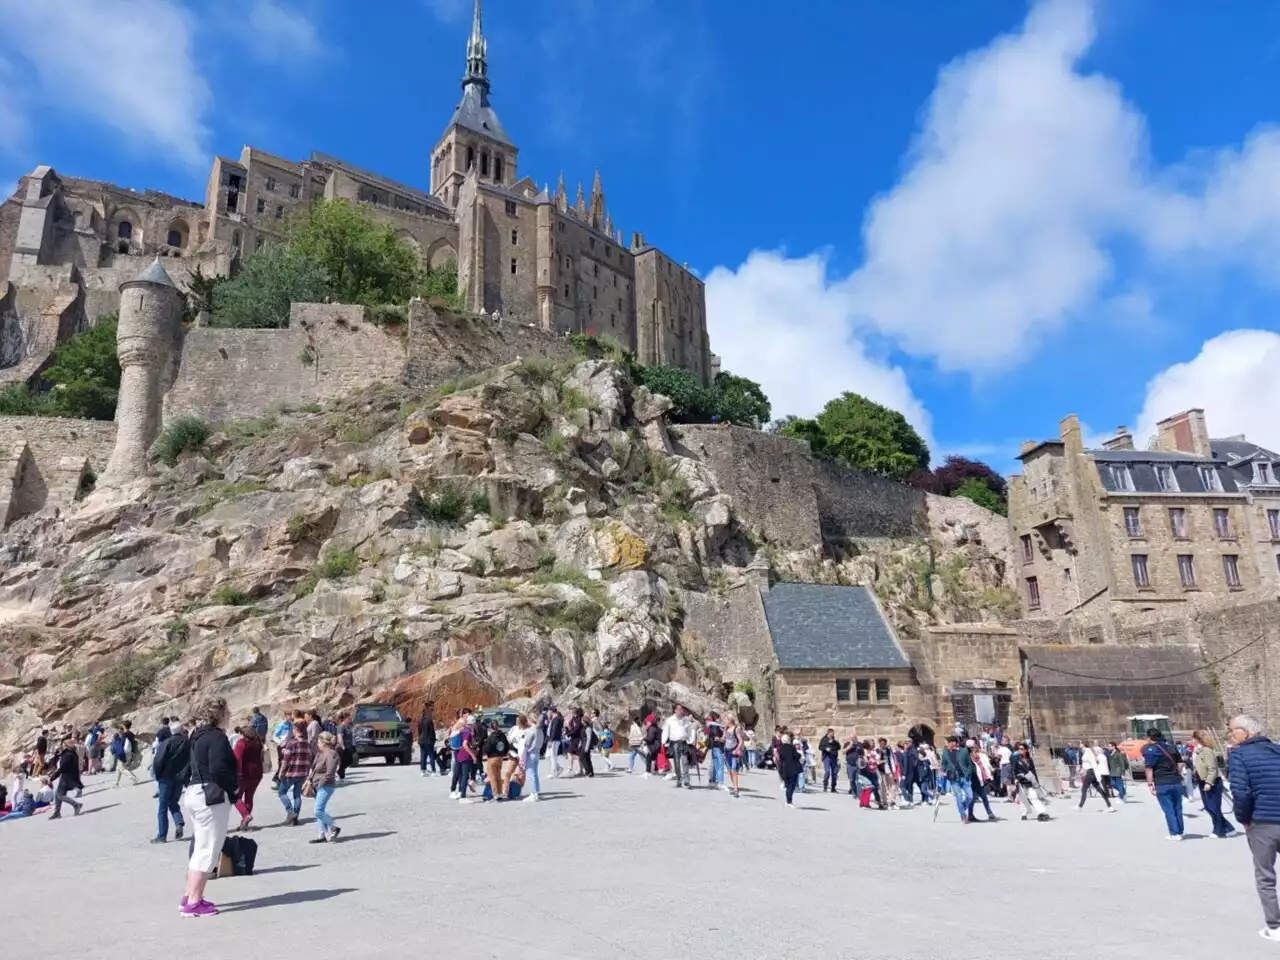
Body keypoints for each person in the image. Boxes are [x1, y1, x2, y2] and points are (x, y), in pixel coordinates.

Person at [178, 697, 237, 918]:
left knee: (201, 845)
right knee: (208, 849)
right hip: (210, 794)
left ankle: (189, 895)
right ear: (220, 714)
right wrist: (233, 788)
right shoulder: (217, 737)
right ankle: (194, 902)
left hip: (194, 792)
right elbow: (219, 768)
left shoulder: (196, 737)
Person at [1228, 714, 1280, 942]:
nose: (1230, 736)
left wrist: (1243, 819)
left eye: (1232, 731)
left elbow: (1240, 792)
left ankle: (1275, 927)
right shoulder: (1278, 750)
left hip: (1262, 822)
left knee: (1265, 875)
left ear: (1246, 733)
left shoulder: (1239, 755)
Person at [1191, 729, 1236, 839]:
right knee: (1208, 807)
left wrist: (1209, 782)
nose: (1191, 740)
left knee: (1213, 807)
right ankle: (1228, 827)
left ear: (1198, 739)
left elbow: (1212, 768)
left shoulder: (1207, 750)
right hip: (1201, 780)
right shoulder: (1198, 750)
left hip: (1212, 782)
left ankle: (1218, 829)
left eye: (1193, 738)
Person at [1143, 726, 1185, 840]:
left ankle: (1174, 833)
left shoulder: (1150, 749)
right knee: (1178, 807)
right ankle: (1180, 831)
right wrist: (1176, 771)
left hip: (1162, 782)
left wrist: (1150, 783)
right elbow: (1181, 763)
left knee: (1168, 809)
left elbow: (1149, 768)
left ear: (1150, 738)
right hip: (1176, 780)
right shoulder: (1171, 747)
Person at [151, 720, 189, 842]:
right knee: (173, 802)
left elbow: (158, 761)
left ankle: (162, 835)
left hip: (166, 777)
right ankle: (178, 822)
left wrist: (158, 775)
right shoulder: (188, 743)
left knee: (162, 807)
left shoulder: (167, 743)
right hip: (180, 777)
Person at [306, 731, 341, 843]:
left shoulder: (332, 754)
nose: (317, 744)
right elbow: (314, 769)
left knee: (318, 810)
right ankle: (321, 834)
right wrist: (309, 779)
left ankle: (334, 827)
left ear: (324, 742)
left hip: (326, 785)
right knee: (320, 809)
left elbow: (330, 772)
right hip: (316, 784)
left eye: (318, 741)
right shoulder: (320, 754)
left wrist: (321, 782)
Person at [276, 721, 313, 826]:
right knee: (297, 796)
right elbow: (309, 758)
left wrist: (281, 772)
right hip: (302, 773)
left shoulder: (291, 743)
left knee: (282, 792)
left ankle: (290, 812)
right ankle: (295, 818)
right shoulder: (307, 743)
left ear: (296, 730)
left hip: (291, 773)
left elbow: (285, 760)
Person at [232, 718, 264, 832]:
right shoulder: (258, 743)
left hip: (244, 773)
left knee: (235, 797)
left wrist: (237, 774)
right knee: (249, 797)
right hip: (256, 773)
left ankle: (245, 815)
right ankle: (244, 823)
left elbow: (237, 759)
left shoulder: (241, 744)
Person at [46, 738, 83, 819]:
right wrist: (57, 753)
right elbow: (56, 760)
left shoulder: (68, 755)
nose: (61, 746)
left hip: (67, 778)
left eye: (62, 745)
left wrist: (52, 778)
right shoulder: (69, 753)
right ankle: (57, 813)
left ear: (66, 746)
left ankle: (76, 805)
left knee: (59, 795)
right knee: (57, 795)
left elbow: (61, 768)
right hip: (67, 777)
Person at [1012, 742, 1050, 821]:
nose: (1020, 750)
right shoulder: (1016, 759)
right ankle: (1024, 813)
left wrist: (1036, 781)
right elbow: (1014, 770)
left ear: (1026, 750)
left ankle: (1041, 812)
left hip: (1030, 781)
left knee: (1033, 797)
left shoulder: (1029, 760)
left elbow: (1033, 771)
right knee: (1023, 799)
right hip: (1021, 780)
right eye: (1019, 749)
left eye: (1022, 749)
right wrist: (1015, 779)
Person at [941, 736, 975, 823]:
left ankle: (962, 808)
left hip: (964, 778)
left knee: (970, 796)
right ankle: (963, 816)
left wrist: (968, 773)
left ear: (954, 743)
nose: (947, 744)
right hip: (954, 778)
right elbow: (944, 764)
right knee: (959, 796)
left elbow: (969, 763)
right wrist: (942, 771)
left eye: (949, 742)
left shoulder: (963, 751)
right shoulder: (945, 753)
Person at [1078, 740, 1115, 812]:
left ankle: (1080, 806)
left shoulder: (1089, 752)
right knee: (1099, 789)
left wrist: (1097, 775)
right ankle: (1109, 806)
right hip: (1092, 772)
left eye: (1080, 743)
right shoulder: (1088, 752)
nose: (1079, 745)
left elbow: (1094, 764)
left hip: (1091, 772)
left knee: (1084, 789)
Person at [968, 743, 1000, 822]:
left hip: (981, 782)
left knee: (984, 798)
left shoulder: (980, 759)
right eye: (973, 752)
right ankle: (969, 815)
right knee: (972, 800)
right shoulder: (969, 762)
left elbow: (985, 767)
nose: (976, 753)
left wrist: (990, 773)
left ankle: (990, 814)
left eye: (976, 751)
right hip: (974, 783)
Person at [663, 705, 693, 788]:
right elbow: (666, 730)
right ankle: (679, 779)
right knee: (676, 762)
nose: (681, 711)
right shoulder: (669, 720)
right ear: (675, 710)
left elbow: (689, 730)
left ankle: (686, 780)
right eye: (679, 710)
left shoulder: (686, 720)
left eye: (682, 710)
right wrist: (663, 741)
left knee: (685, 761)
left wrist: (690, 740)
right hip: (674, 743)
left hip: (683, 742)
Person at [482, 720, 512, 800]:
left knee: (492, 777)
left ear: (491, 727)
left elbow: (487, 748)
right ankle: (500, 793)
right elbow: (507, 745)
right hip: (500, 758)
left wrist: (484, 752)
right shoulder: (502, 735)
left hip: (492, 758)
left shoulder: (491, 737)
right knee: (498, 776)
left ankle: (495, 793)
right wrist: (504, 753)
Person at [451, 712, 478, 801]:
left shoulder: (463, 730)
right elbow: (465, 744)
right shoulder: (467, 732)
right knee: (464, 775)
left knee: (458, 773)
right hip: (465, 755)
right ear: (472, 723)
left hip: (459, 754)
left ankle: (455, 791)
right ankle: (462, 795)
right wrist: (473, 755)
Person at [777, 733, 802, 808]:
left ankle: (787, 800)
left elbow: (781, 758)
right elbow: (796, 756)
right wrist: (799, 754)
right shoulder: (791, 747)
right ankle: (789, 801)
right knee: (792, 785)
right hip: (792, 768)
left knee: (788, 785)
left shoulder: (781, 748)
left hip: (785, 769)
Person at [113, 721, 141, 787]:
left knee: (122, 769)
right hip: (129, 752)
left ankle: (135, 778)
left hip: (124, 753)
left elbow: (121, 744)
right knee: (118, 768)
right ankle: (116, 783)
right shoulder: (131, 734)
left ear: (124, 726)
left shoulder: (124, 734)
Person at [705, 712, 726, 788]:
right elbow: (717, 738)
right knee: (720, 765)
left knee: (714, 764)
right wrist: (722, 737)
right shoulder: (716, 726)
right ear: (717, 718)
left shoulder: (711, 726)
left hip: (713, 747)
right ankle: (720, 781)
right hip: (718, 746)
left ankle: (713, 780)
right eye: (720, 718)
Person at [819, 728, 841, 793]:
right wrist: (826, 748)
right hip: (827, 757)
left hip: (834, 757)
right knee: (827, 772)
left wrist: (835, 742)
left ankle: (833, 788)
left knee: (835, 773)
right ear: (829, 733)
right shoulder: (824, 739)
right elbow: (820, 747)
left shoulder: (834, 739)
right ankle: (825, 785)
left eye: (833, 733)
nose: (833, 734)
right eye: (832, 733)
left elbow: (839, 747)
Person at [417, 704, 437, 777]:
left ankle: (423, 770)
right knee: (431, 755)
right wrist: (434, 739)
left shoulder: (420, 721)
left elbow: (419, 731)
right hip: (429, 740)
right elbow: (432, 731)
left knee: (423, 755)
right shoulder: (429, 721)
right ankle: (433, 771)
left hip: (421, 740)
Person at [547, 707, 565, 778]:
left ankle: (554, 772)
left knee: (553, 756)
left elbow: (554, 730)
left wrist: (551, 740)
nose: (548, 713)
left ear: (552, 712)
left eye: (549, 712)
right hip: (554, 739)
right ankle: (558, 768)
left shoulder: (556, 719)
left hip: (554, 740)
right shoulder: (555, 719)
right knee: (549, 756)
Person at [642, 713, 661, 778]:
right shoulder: (655, 727)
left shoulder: (651, 728)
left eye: (647, 721)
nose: (646, 722)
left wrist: (643, 738)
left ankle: (648, 772)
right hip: (656, 745)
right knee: (653, 758)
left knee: (648, 758)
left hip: (653, 746)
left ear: (650, 722)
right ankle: (654, 770)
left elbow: (650, 738)